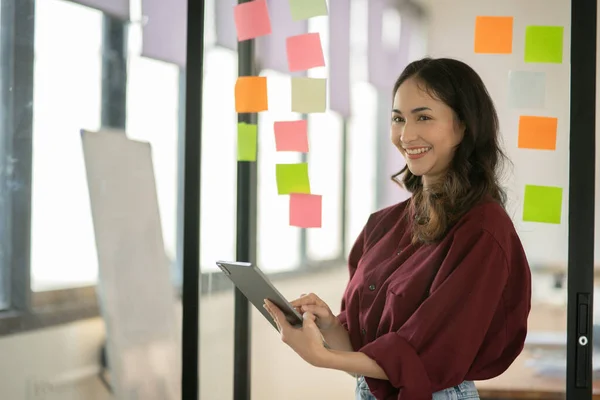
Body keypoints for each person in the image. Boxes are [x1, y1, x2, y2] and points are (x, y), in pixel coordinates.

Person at [263, 57, 532, 400]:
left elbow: (427, 361)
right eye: (398, 119)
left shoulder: (483, 230)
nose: (406, 135)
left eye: (423, 117)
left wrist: (322, 357)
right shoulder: (384, 224)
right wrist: (330, 325)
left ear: (463, 125)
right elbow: (366, 357)